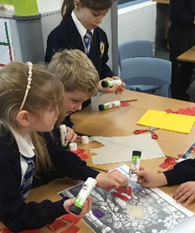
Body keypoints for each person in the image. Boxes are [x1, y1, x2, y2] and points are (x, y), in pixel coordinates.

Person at [0, 62, 92, 233]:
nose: (59, 113)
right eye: (52, 109)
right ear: (24, 118)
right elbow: (15, 218)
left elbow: (22, 180)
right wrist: (60, 207)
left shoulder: (22, 134)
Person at [33, 49, 128, 189]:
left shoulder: (52, 113)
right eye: (75, 100)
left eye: (83, 102)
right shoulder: (38, 120)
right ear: (55, 89)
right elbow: (57, 156)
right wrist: (96, 176)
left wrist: (63, 128)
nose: (78, 108)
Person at [45, 0, 124, 109]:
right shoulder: (59, 36)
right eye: (95, 14)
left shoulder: (100, 35)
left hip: (85, 107)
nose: (100, 20)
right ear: (77, 4)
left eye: (103, 15)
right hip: (64, 110)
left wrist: (110, 79)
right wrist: (95, 87)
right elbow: (59, 81)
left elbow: (100, 64)